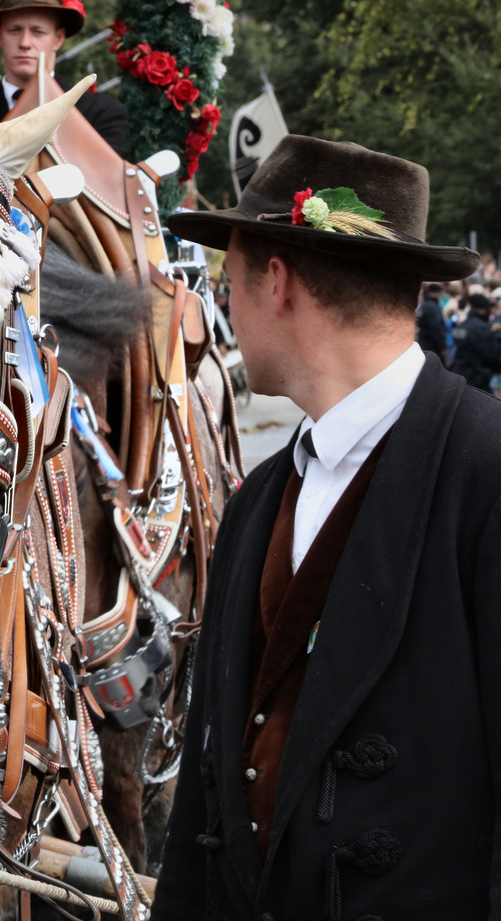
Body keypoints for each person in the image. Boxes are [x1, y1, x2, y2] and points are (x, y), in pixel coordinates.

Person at [154, 135, 498, 919]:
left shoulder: (485, 473)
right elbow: (205, 810)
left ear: (275, 282)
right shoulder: (259, 500)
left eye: (227, 282)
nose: (224, 306)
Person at [0, 0, 128, 154]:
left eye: (38, 32)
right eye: (14, 30)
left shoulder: (99, 114)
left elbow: (104, 179)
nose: (25, 43)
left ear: (58, 38)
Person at [450, 288, 501, 391]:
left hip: (460, 377)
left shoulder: (462, 325)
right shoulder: (481, 328)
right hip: (477, 381)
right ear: (482, 309)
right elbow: (492, 355)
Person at [414, 281, 448, 362]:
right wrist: (443, 347)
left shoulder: (422, 306)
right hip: (433, 348)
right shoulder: (433, 308)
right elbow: (437, 328)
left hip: (422, 344)